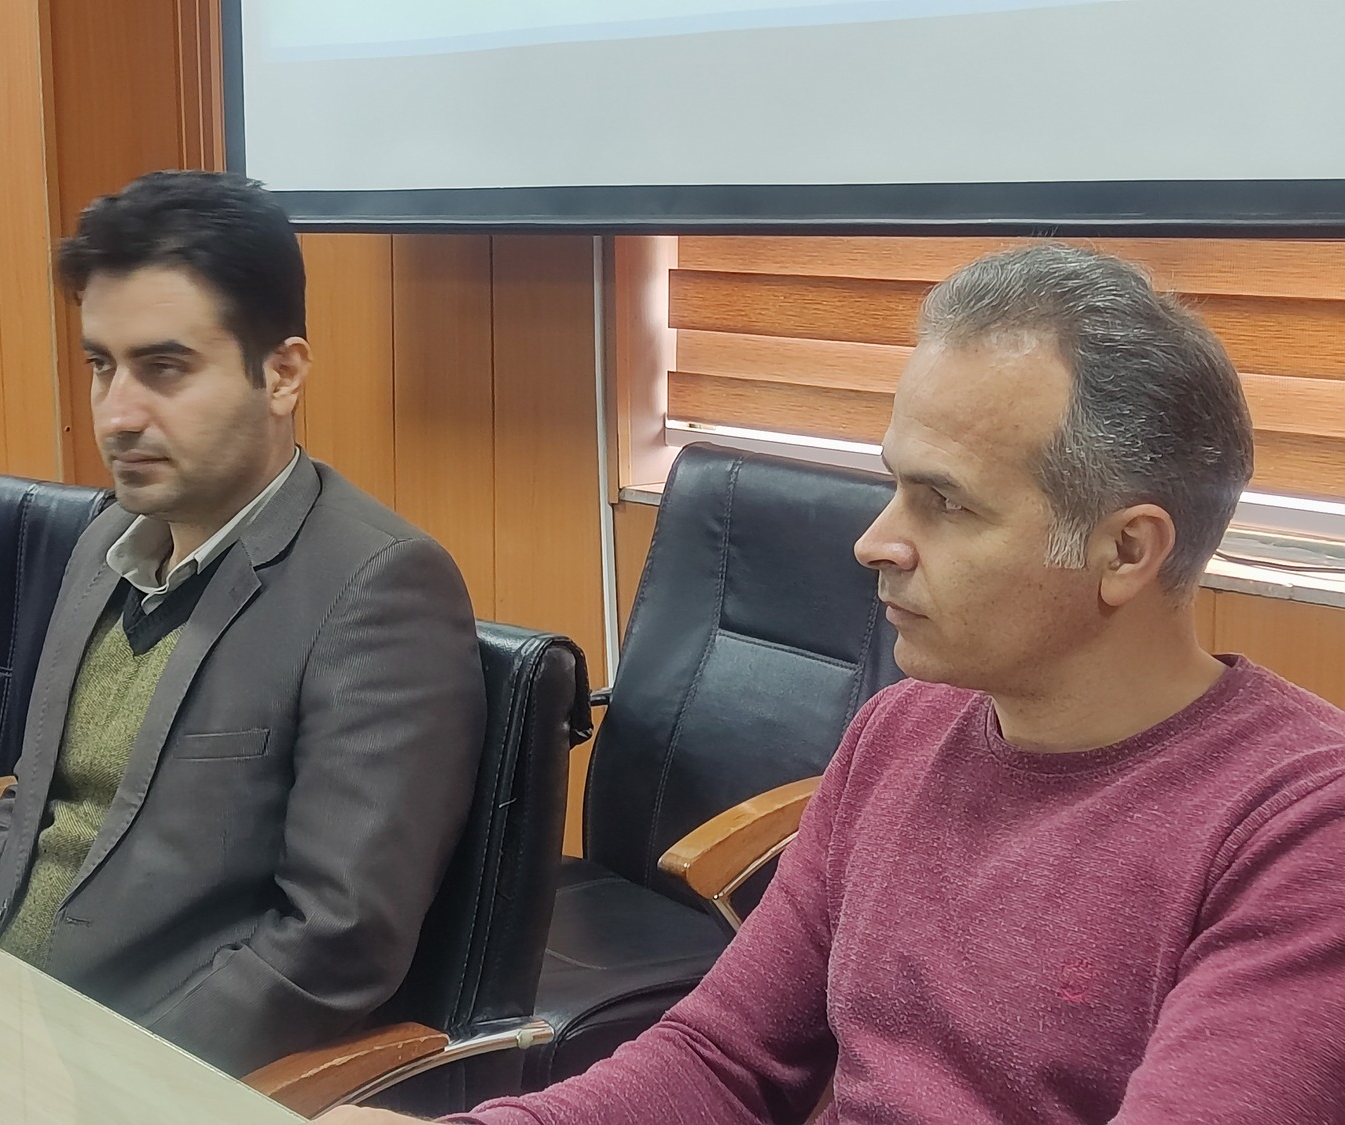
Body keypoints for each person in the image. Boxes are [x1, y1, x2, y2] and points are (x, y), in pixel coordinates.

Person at [327, 244, 1345, 1124]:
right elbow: (724, 1060)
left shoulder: (1302, 830)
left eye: (945, 503)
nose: (874, 542)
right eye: (895, 484)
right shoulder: (899, 732)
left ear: (1124, 551)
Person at [0, 171, 486, 1075]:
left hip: (135, 1072)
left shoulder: (379, 590)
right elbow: (26, 809)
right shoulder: (104, 542)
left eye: (164, 368)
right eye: (101, 365)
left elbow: (332, 943)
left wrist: (110, 1077)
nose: (117, 413)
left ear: (281, 373)